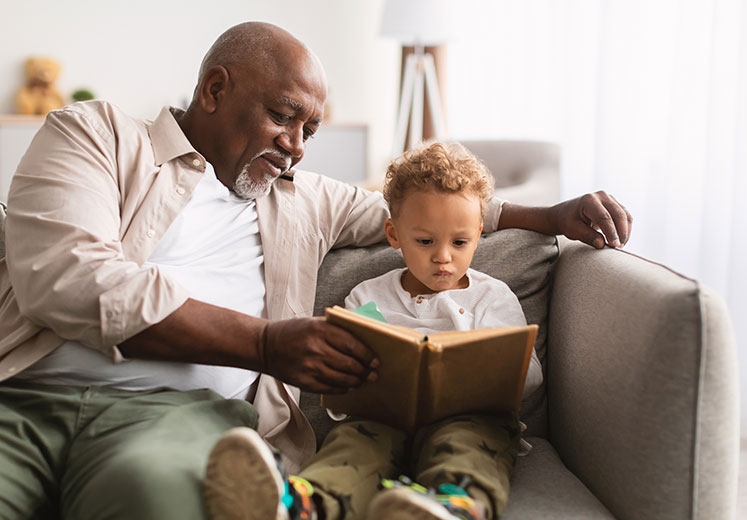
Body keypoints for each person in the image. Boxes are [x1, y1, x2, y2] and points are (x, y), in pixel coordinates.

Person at [0, 21, 632, 520]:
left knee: (152, 495)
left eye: (310, 129)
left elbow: (423, 210)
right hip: (22, 397)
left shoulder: (305, 198)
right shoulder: (99, 135)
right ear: (215, 90)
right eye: (283, 117)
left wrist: (549, 214)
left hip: (175, 416)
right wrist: (266, 342)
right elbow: (69, 277)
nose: (297, 145)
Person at [204, 141, 544, 520]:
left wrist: (482, 366)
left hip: (470, 418)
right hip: (383, 420)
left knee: (470, 445)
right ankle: (303, 505)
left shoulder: (491, 297)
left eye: (460, 242)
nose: (443, 257)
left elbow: (529, 378)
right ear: (394, 235)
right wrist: (351, 384)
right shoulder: (368, 297)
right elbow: (340, 388)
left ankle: (452, 508)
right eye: (425, 241)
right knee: (354, 445)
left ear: (479, 234)